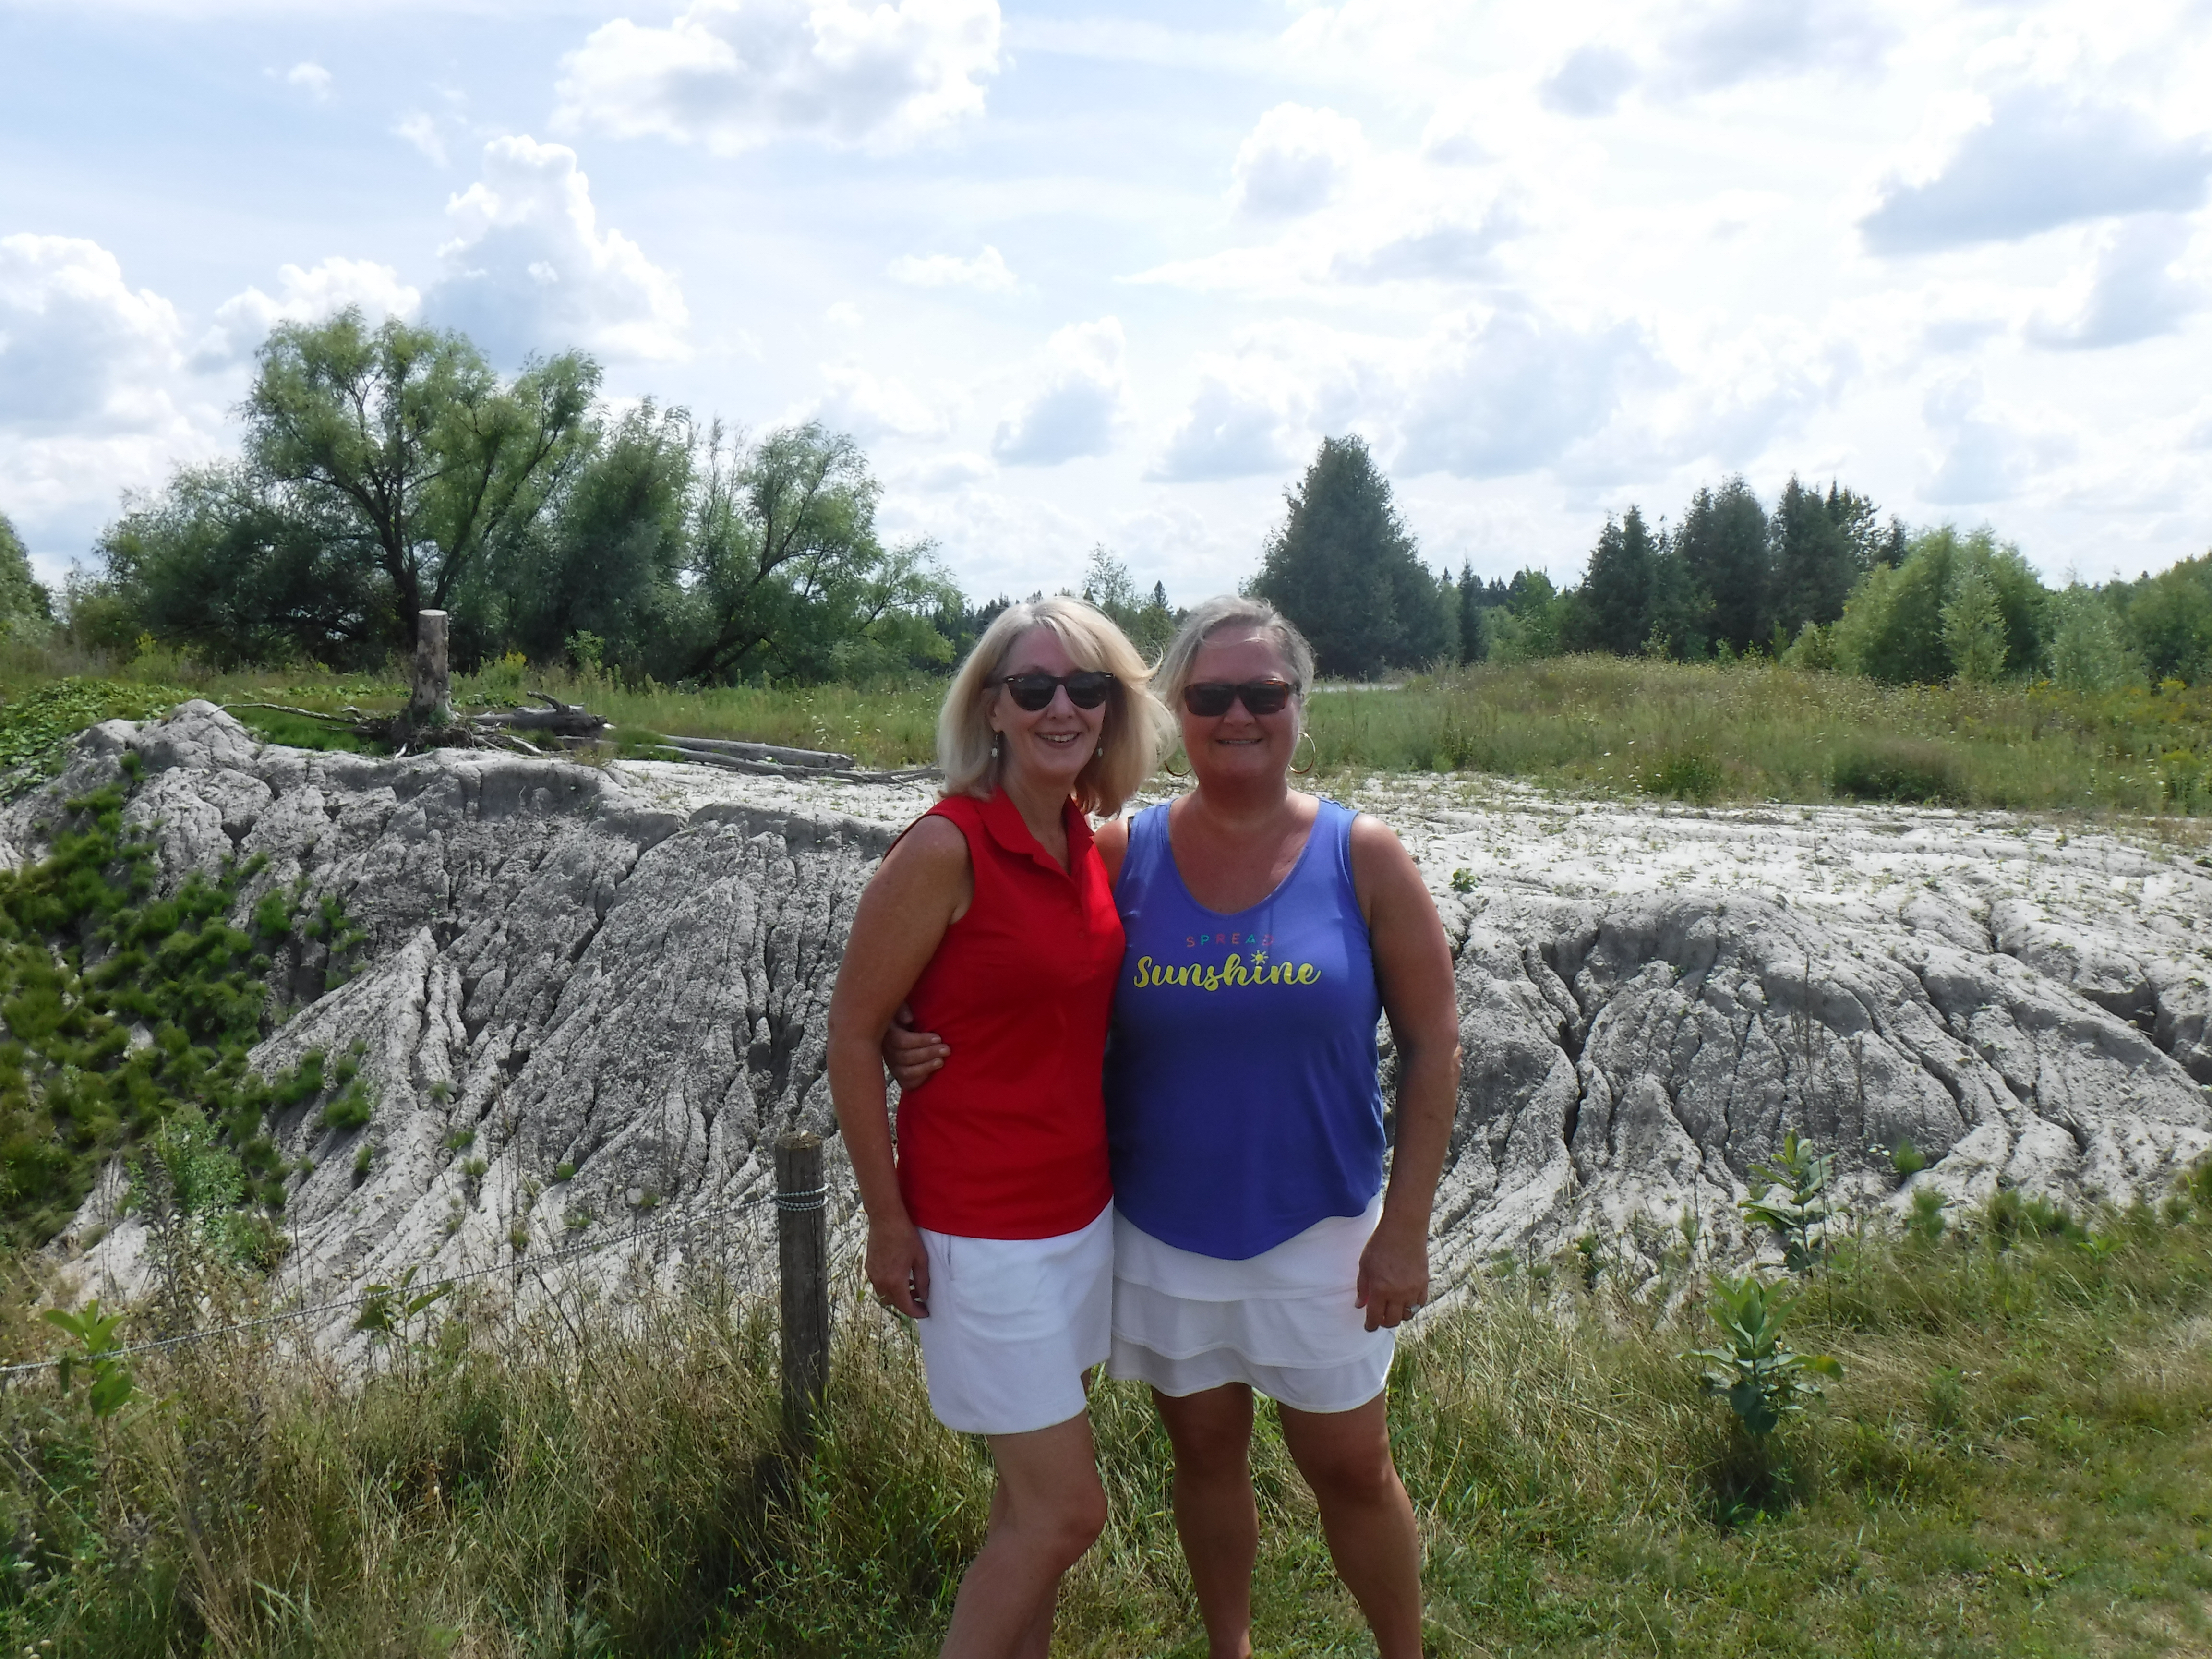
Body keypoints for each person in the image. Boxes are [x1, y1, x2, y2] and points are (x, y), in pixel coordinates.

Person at [890, 594, 1462, 1659]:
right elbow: (1005, 963)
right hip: (1164, 1232)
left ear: (1300, 706)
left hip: (1324, 1227)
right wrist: (900, 1035)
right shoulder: (1121, 851)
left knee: (1351, 1465)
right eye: (1210, 696)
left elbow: (1436, 1045)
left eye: (1263, 694)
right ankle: (1228, 1649)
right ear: (1176, 713)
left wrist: (1407, 1229)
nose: (1237, 715)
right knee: (1205, 1459)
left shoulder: (1364, 855)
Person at [826, 596, 1168, 1659]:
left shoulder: (1088, 843)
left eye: (1087, 688)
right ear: (993, 709)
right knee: (1070, 1512)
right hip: (978, 1231)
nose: (1062, 707)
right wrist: (888, 1224)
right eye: (1035, 688)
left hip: (1078, 1220)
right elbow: (850, 1035)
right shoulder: (947, 847)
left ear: (1113, 712)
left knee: (1028, 1517)